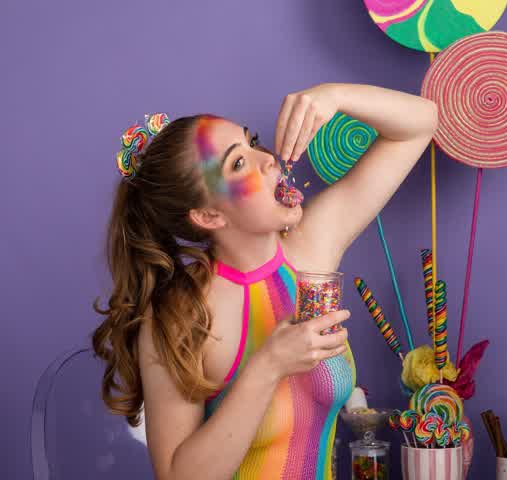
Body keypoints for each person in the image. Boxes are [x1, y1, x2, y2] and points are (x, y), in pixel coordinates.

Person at [92, 83, 438, 479]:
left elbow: (420, 123)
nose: (268, 159)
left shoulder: (313, 248)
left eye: (252, 141)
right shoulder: (180, 317)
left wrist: (334, 97)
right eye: (239, 163)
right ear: (209, 216)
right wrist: (269, 365)